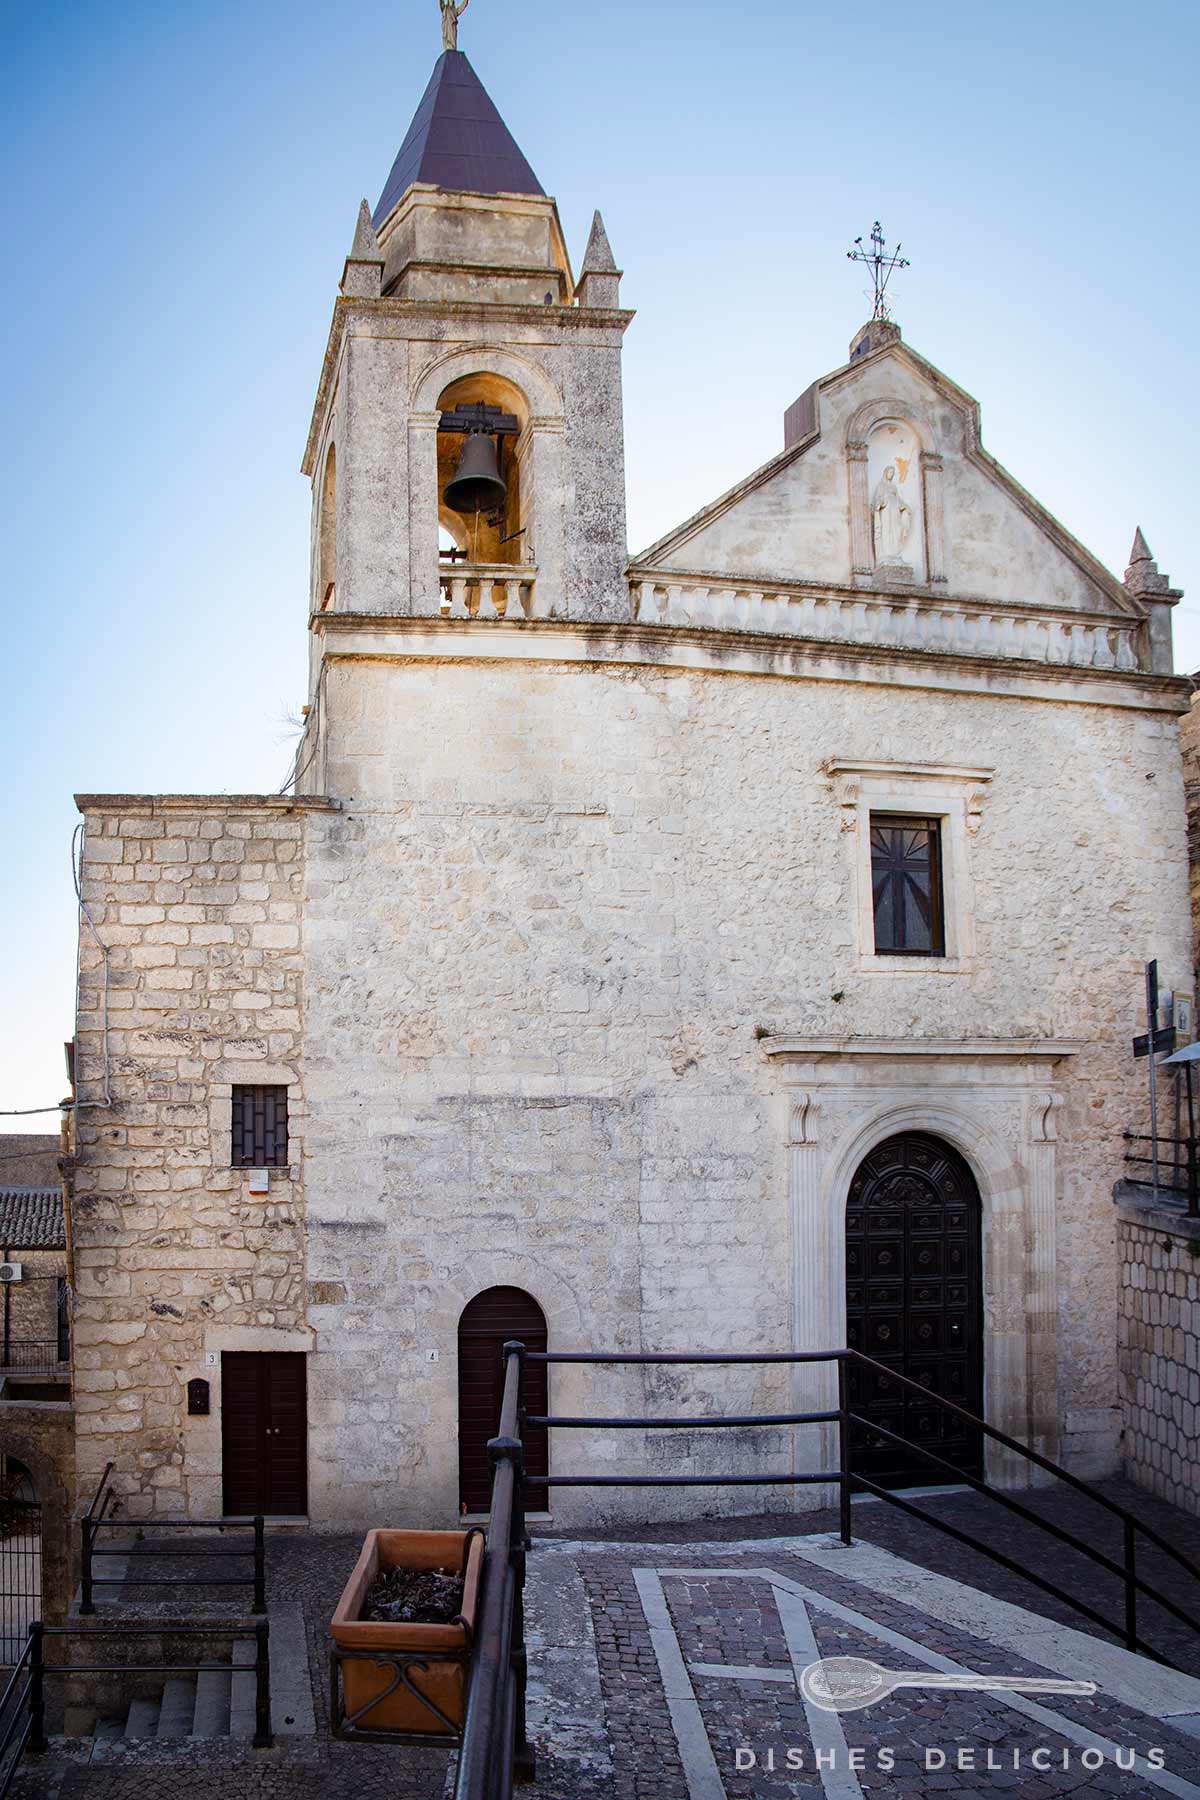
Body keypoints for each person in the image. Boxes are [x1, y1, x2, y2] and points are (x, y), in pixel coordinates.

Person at [871, 464, 912, 563]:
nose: (891, 474)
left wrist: (905, 507)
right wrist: (880, 503)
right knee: (886, 531)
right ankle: (885, 554)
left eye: (892, 473)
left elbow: (898, 500)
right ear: (886, 473)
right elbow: (877, 499)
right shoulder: (881, 486)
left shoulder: (894, 487)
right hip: (885, 512)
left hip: (894, 513)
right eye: (890, 472)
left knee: (895, 531)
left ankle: (894, 554)